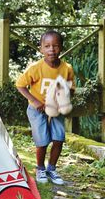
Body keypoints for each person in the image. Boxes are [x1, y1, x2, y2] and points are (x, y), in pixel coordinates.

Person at [16, 30, 75, 185]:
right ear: (41, 49)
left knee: (58, 139)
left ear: (61, 47)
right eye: (47, 46)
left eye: (55, 46)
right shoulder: (35, 68)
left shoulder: (67, 68)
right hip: (37, 109)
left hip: (56, 109)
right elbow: (20, 85)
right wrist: (35, 102)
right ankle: (40, 168)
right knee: (42, 141)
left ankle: (52, 169)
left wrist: (64, 100)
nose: (51, 50)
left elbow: (71, 89)